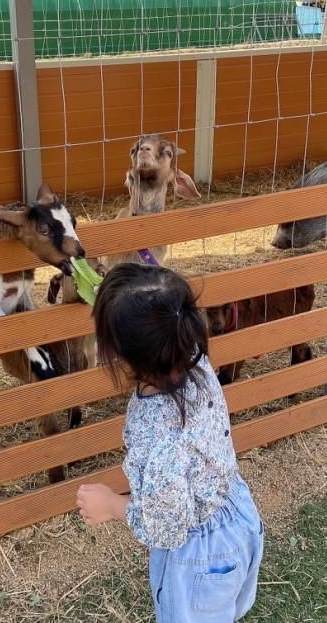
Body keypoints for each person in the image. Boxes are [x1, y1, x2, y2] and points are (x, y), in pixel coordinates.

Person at [76, 263, 263, 622]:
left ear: (115, 351)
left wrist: (112, 505)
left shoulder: (157, 435)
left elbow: (166, 527)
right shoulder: (194, 358)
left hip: (198, 554)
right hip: (238, 515)